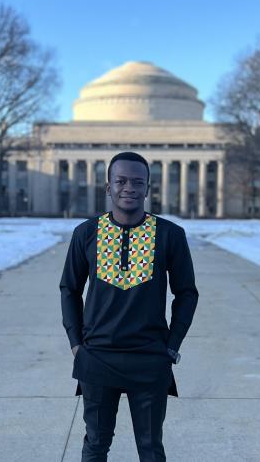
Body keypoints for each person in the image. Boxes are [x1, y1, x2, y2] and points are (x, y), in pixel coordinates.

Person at [59, 151, 199, 461]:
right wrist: (76, 345)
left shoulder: (170, 235)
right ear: (107, 187)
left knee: (150, 449)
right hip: (97, 357)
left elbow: (187, 293)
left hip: (149, 358)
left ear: (148, 188)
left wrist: (172, 346)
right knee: (95, 445)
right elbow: (69, 288)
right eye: (120, 181)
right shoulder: (86, 233)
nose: (129, 188)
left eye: (138, 182)